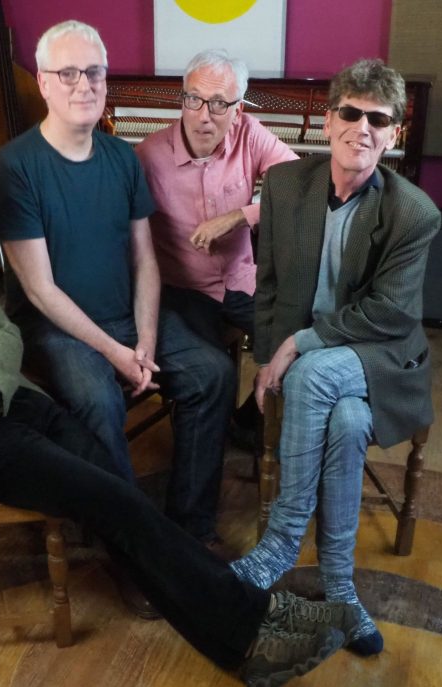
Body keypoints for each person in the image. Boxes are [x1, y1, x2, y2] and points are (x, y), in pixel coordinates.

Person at [0, 114, 362, 687]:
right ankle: (253, 631)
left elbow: (3, 334)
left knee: (119, 492)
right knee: (109, 497)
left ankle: (244, 613)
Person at [0, 21, 236, 556]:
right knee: (99, 401)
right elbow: (40, 291)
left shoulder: (122, 157)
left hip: (127, 315)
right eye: (68, 73)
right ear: (44, 83)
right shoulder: (16, 167)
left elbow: (145, 260)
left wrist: (144, 340)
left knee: (212, 373)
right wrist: (118, 354)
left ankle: (188, 529)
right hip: (56, 327)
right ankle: (133, 552)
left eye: (94, 72)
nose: (84, 85)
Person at [230, 60, 441, 658]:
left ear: (394, 133)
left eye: (379, 119)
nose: (363, 128)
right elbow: (267, 285)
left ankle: (280, 542)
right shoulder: (286, 186)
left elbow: (391, 315)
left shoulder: (413, 213)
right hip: (313, 364)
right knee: (346, 420)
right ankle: (341, 586)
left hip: (380, 357)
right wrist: (269, 354)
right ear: (328, 122)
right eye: (351, 112)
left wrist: (297, 346)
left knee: (319, 371)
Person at [135, 49, 297, 442]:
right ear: (183, 98)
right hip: (183, 289)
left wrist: (239, 216)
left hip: (241, 280)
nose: (204, 115)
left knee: (299, 344)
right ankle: (210, 438)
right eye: (194, 99)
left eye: (219, 103)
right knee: (208, 375)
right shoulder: (147, 156)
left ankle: (246, 427)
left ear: (237, 110)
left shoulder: (250, 135)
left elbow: (299, 186)